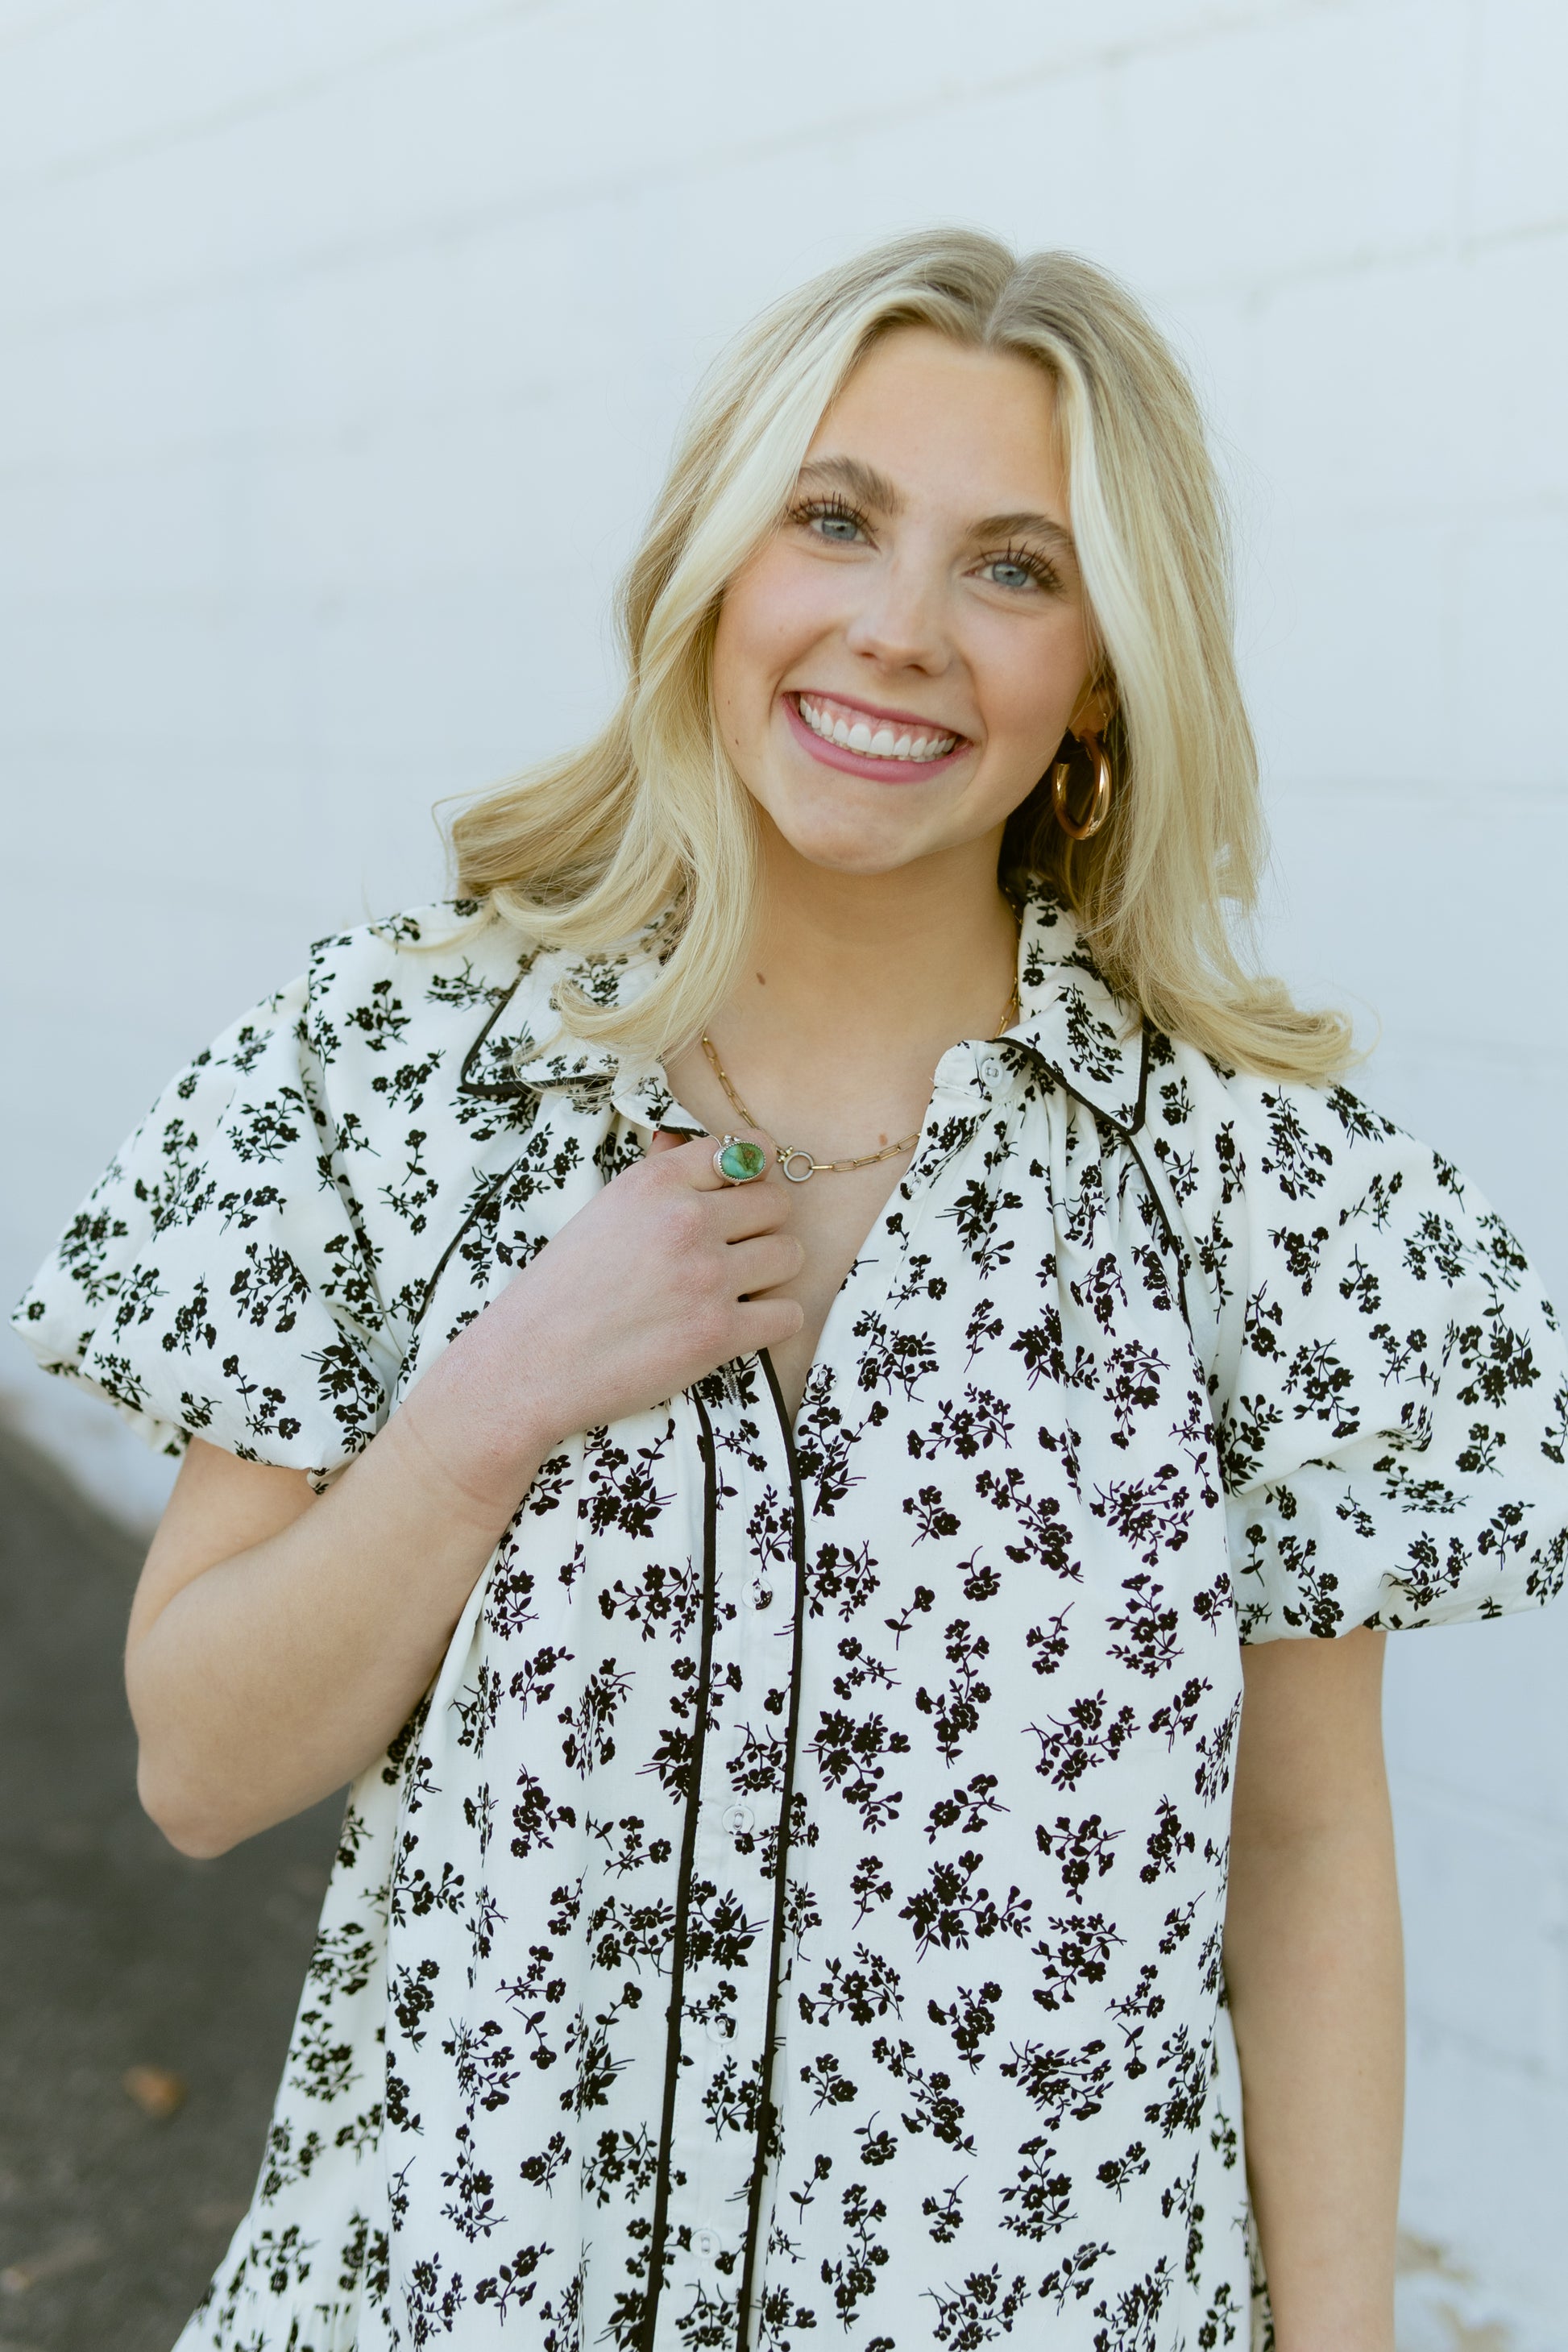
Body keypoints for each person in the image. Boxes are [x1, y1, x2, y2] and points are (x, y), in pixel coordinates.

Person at [15, 230, 1568, 2352]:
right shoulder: (392, 1075)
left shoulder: (1258, 1190)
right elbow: (198, 1767)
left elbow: (1299, 1854)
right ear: (715, 565)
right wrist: (495, 1398)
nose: (897, 629)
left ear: (1103, 670)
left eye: (1013, 570)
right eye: (833, 519)